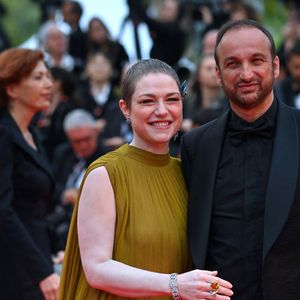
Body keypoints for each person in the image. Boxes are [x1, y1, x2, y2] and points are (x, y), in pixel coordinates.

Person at [58, 58, 233, 299]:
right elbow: (96, 269)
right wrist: (175, 285)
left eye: (172, 99)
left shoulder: (186, 172)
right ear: (125, 108)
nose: (162, 110)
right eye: (147, 101)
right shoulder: (105, 174)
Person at [181, 19, 300, 299]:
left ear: (275, 66)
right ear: (219, 74)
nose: (246, 73)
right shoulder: (196, 146)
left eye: (256, 60)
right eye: (233, 64)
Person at [0, 48, 61, 299]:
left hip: (37, 256)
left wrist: (56, 248)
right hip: (13, 267)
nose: (49, 84)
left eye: (48, 76)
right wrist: (42, 272)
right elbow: (2, 210)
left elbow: (36, 208)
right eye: (38, 78)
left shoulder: (32, 134)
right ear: (12, 88)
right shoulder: (3, 135)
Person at [48, 109, 110, 248]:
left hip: (88, 225)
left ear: (95, 133)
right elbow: (50, 185)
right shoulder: (62, 153)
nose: (83, 145)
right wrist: (65, 194)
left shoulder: (108, 158)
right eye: (76, 141)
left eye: (87, 139)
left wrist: (81, 198)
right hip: (56, 216)